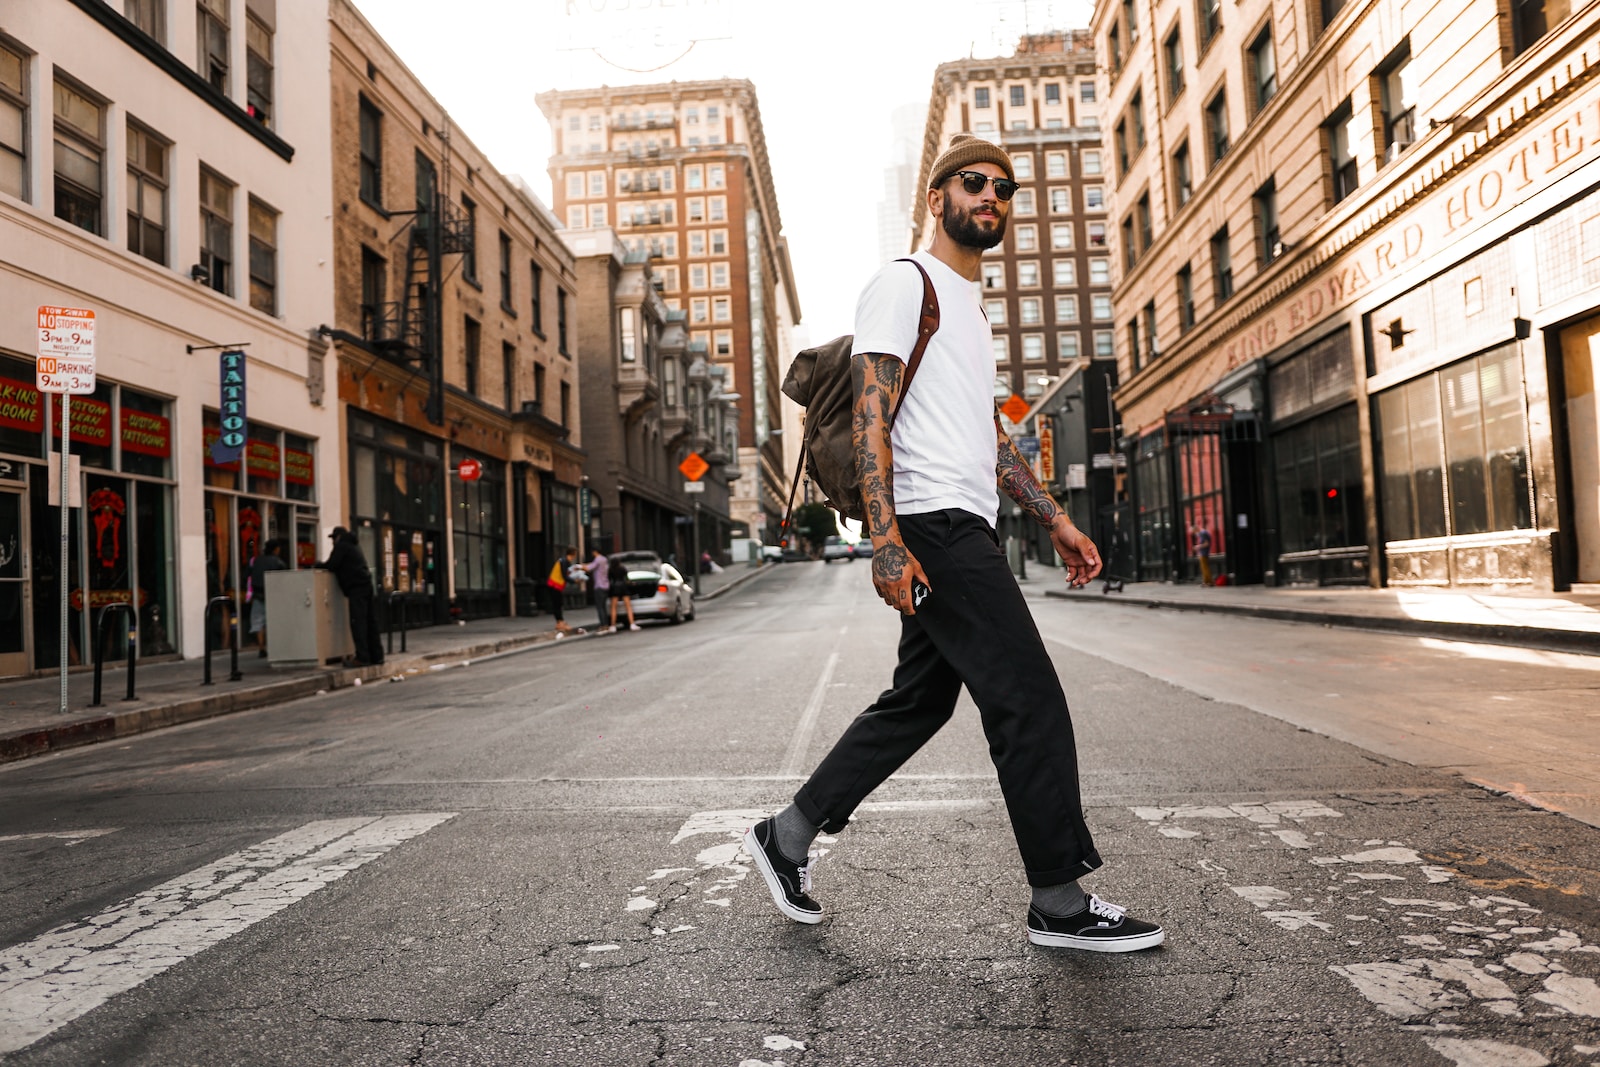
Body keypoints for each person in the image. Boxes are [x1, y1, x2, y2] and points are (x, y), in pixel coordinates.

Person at [743, 135, 1164, 953]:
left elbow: (989, 436)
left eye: (1005, 188)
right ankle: (1059, 902)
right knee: (1028, 698)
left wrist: (1055, 518)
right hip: (932, 522)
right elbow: (871, 412)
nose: (992, 197)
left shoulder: (969, 309)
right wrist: (887, 538)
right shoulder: (905, 286)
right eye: (974, 183)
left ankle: (786, 836)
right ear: (935, 199)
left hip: (965, 519)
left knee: (922, 699)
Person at [317, 526, 383, 666]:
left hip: (356, 588)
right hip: (366, 585)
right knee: (370, 622)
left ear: (338, 537)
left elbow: (332, 564)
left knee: (358, 622)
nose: (332, 542)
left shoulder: (342, 546)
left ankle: (362, 657)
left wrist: (318, 565)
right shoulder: (354, 546)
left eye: (333, 539)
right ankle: (376, 656)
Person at [248, 538, 288, 657]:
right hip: (273, 595)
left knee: (258, 621)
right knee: (273, 621)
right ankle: (275, 646)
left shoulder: (256, 560)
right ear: (275, 549)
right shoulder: (278, 562)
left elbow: (248, 574)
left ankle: (261, 647)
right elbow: (284, 578)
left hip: (258, 594)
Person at [607, 552, 641, 632]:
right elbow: (627, 579)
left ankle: (613, 626)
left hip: (615, 588)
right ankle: (632, 624)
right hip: (623, 587)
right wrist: (632, 584)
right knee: (628, 606)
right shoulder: (622, 568)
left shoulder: (610, 569)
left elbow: (609, 580)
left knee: (613, 608)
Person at [582, 546, 611, 632]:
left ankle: (603, 624)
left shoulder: (597, 560)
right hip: (605, 585)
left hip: (599, 586)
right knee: (603, 606)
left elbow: (589, 568)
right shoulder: (604, 559)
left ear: (594, 552)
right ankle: (606, 623)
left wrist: (579, 566)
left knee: (600, 607)